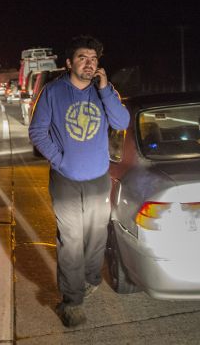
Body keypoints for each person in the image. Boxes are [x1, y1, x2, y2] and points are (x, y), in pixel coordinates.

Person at [29, 35, 130, 327]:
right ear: (69, 62)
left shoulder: (103, 92)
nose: (89, 63)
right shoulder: (53, 92)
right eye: (83, 58)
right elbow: (38, 132)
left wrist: (106, 89)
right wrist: (60, 161)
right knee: (71, 241)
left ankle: (89, 277)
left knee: (97, 235)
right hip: (66, 181)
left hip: (98, 178)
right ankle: (72, 303)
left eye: (94, 59)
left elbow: (121, 123)